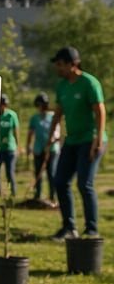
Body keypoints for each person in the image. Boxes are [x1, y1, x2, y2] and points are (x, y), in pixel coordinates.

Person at [48, 46, 106, 240]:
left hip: (90, 140)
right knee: (60, 182)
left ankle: (91, 229)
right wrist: (51, 134)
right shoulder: (62, 86)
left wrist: (97, 140)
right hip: (72, 141)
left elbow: (100, 112)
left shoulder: (89, 83)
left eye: (61, 64)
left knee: (84, 184)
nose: (58, 68)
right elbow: (58, 111)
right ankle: (69, 228)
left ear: (73, 64)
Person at [28, 92, 60, 204]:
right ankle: (38, 194)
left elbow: (58, 134)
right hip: (38, 149)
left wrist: (52, 142)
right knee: (38, 173)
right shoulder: (34, 118)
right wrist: (29, 146)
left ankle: (52, 195)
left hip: (52, 150)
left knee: (51, 173)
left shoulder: (53, 117)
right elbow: (30, 133)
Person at [0, 94, 19, 199]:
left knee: (9, 172)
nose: (2, 107)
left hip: (10, 148)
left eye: (4, 105)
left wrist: (18, 146)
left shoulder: (11, 115)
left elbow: (15, 131)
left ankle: (13, 193)